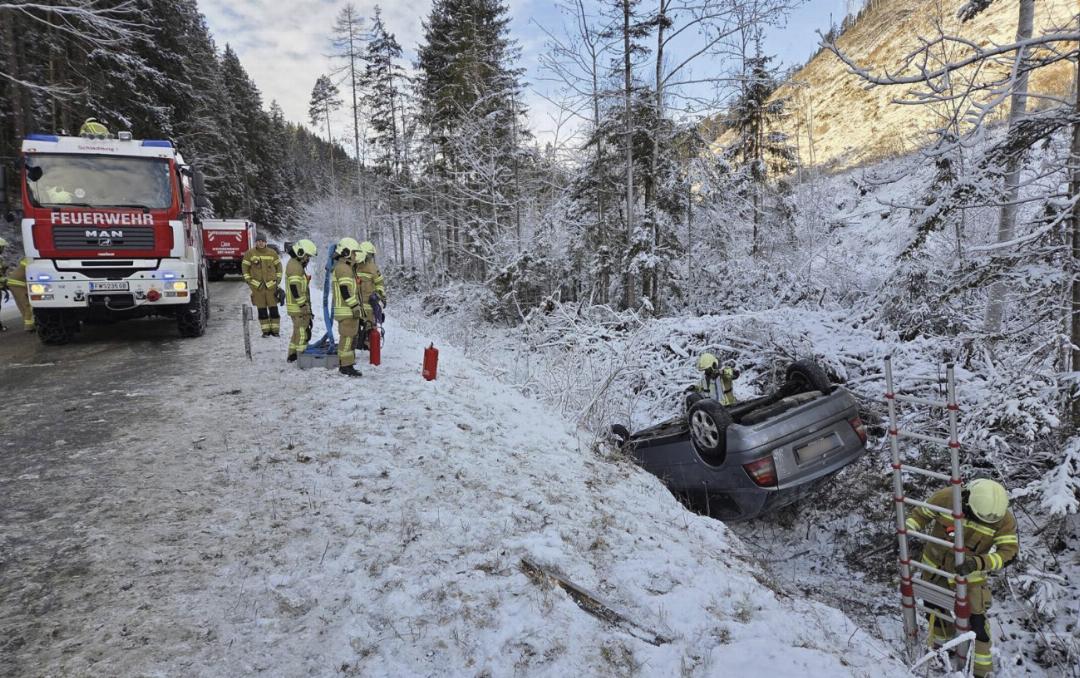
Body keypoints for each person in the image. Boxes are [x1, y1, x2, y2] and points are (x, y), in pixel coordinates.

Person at [905, 478, 1018, 678]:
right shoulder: (947, 497)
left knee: (976, 622)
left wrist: (978, 563)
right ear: (966, 499)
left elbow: (1008, 552)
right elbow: (920, 515)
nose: (980, 522)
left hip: (970, 576)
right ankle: (942, 650)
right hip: (935, 567)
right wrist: (908, 533)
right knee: (935, 608)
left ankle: (980, 670)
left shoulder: (1002, 518)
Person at [332, 237, 363, 377]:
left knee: (348, 338)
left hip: (346, 310)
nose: (355, 256)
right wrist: (355, 306)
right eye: (354, 253)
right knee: (347, 338)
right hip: (346, 311)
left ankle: (347, 364)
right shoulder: (344, 269)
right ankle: (345, 366)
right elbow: (345, 290)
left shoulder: (344, 267)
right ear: (346, 253)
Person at [241, 232, 282, 337]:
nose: (260, 243)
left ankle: (275, 331)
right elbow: (245, 269)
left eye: (262, 241)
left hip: (271, 288)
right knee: (262, 310)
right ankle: (266, 331)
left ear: (265, 242)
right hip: (257, 288)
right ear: (256, 242)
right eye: (258, 241)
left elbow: (279, 267)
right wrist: (250, 281)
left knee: (274, 310)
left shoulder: (272, 253)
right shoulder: (250, 253)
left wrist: (277, 280)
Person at [285, 239, 317, 363]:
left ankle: (292, 355)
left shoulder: (296, 265)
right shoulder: (294, 266)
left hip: (296, 306)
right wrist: (303, 305)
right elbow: (294, 288)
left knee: (297, 331)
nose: (308, 259)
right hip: (297, 307)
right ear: (300, 253)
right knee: (302, 332)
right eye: (307, 256)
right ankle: (301, 357)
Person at [354, 240, 386, 350]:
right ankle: (358, 344)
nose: (370, 258)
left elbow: (380, 283)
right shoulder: (354, 266)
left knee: (370, 327)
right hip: (356, 304)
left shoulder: (373, 268)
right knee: (355, 327)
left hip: (369, 304)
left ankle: (369, 345)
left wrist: (380, 295)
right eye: (370, 255)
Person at [0, 239, 34, 332]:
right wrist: (4, 280)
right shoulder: (32, 259)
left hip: (15, 284)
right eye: (1, 247)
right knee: (27, 305)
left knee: (23, 305)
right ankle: (30, 327)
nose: (2, 249)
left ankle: (29, 324)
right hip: (17, 284)